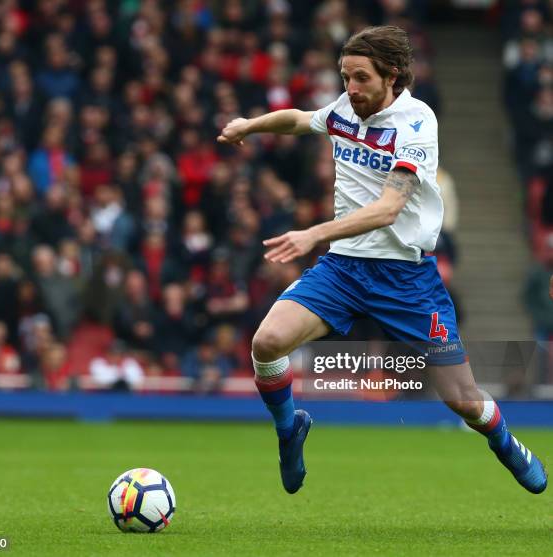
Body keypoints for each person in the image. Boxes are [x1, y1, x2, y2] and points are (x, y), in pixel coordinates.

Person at [218, 26, 547, 495]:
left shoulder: (416, 123)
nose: (350, 89)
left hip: (406, 278)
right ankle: (290, 429)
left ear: (391, 76)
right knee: (267, 342)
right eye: (345, 77)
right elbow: (302, 119)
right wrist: (250, 125)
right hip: (344, 269)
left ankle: (506, 443)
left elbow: (388, 209)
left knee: (464, 401)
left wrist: (314, 232)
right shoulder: (344, 109)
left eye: (360, 79)